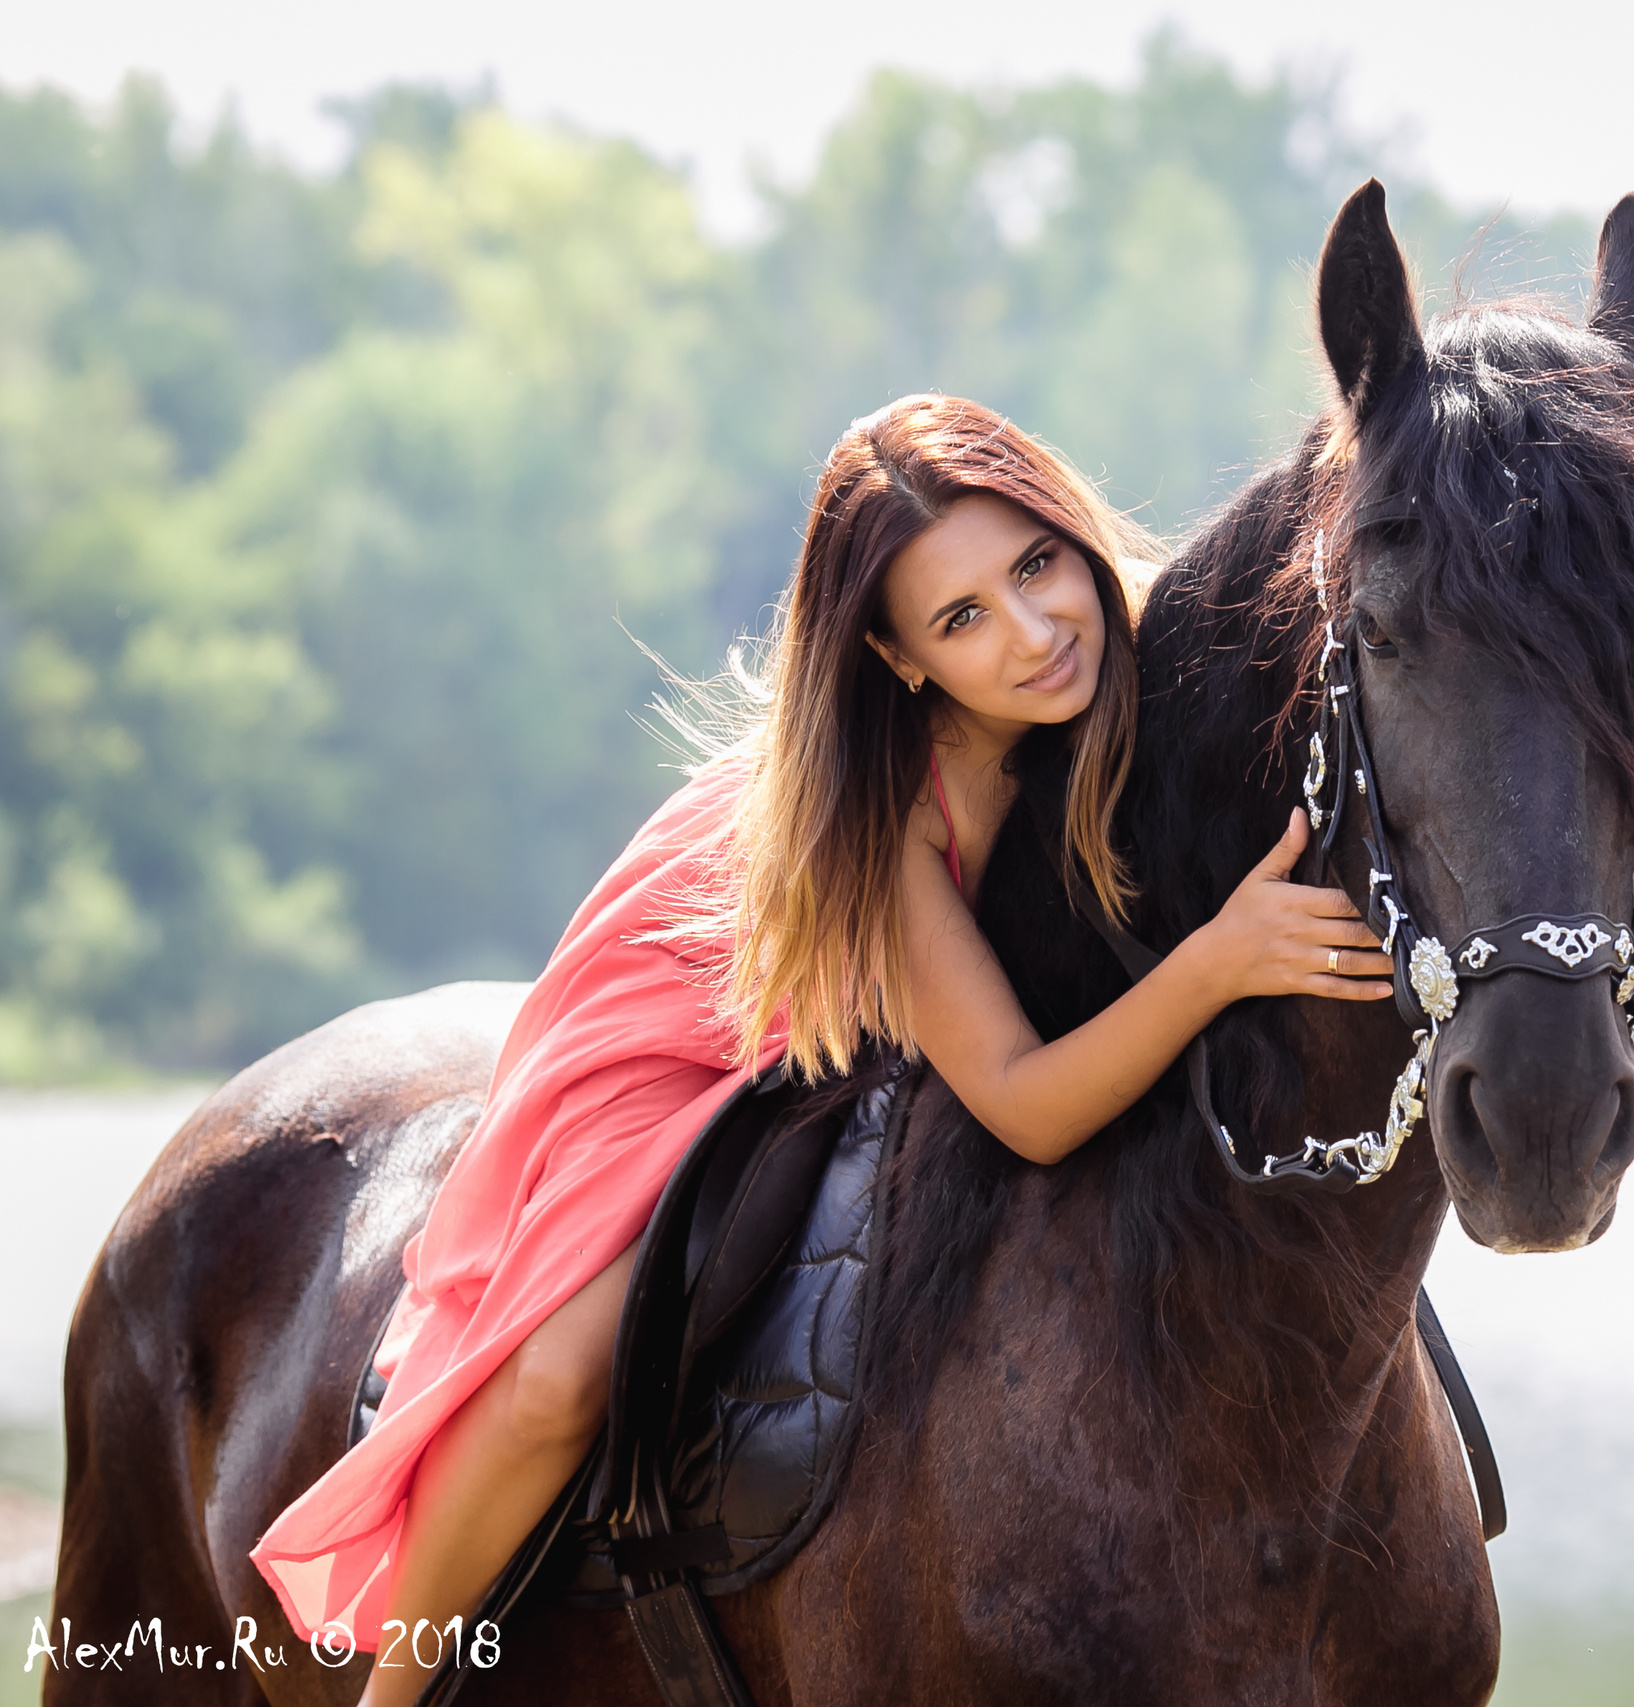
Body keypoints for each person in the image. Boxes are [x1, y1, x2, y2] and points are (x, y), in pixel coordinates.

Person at [248, 395, 1393, 1705]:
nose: (1032, 633)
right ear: (900, 658)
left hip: (880, 982)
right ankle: (395, 1696)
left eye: (1036, 565)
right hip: (700, 1009)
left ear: (1072, 531)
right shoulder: (890, 809)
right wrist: (1221, 962)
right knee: (557, 1382)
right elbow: (1022, 1103)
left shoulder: (1138, 637)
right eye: (962, 620)